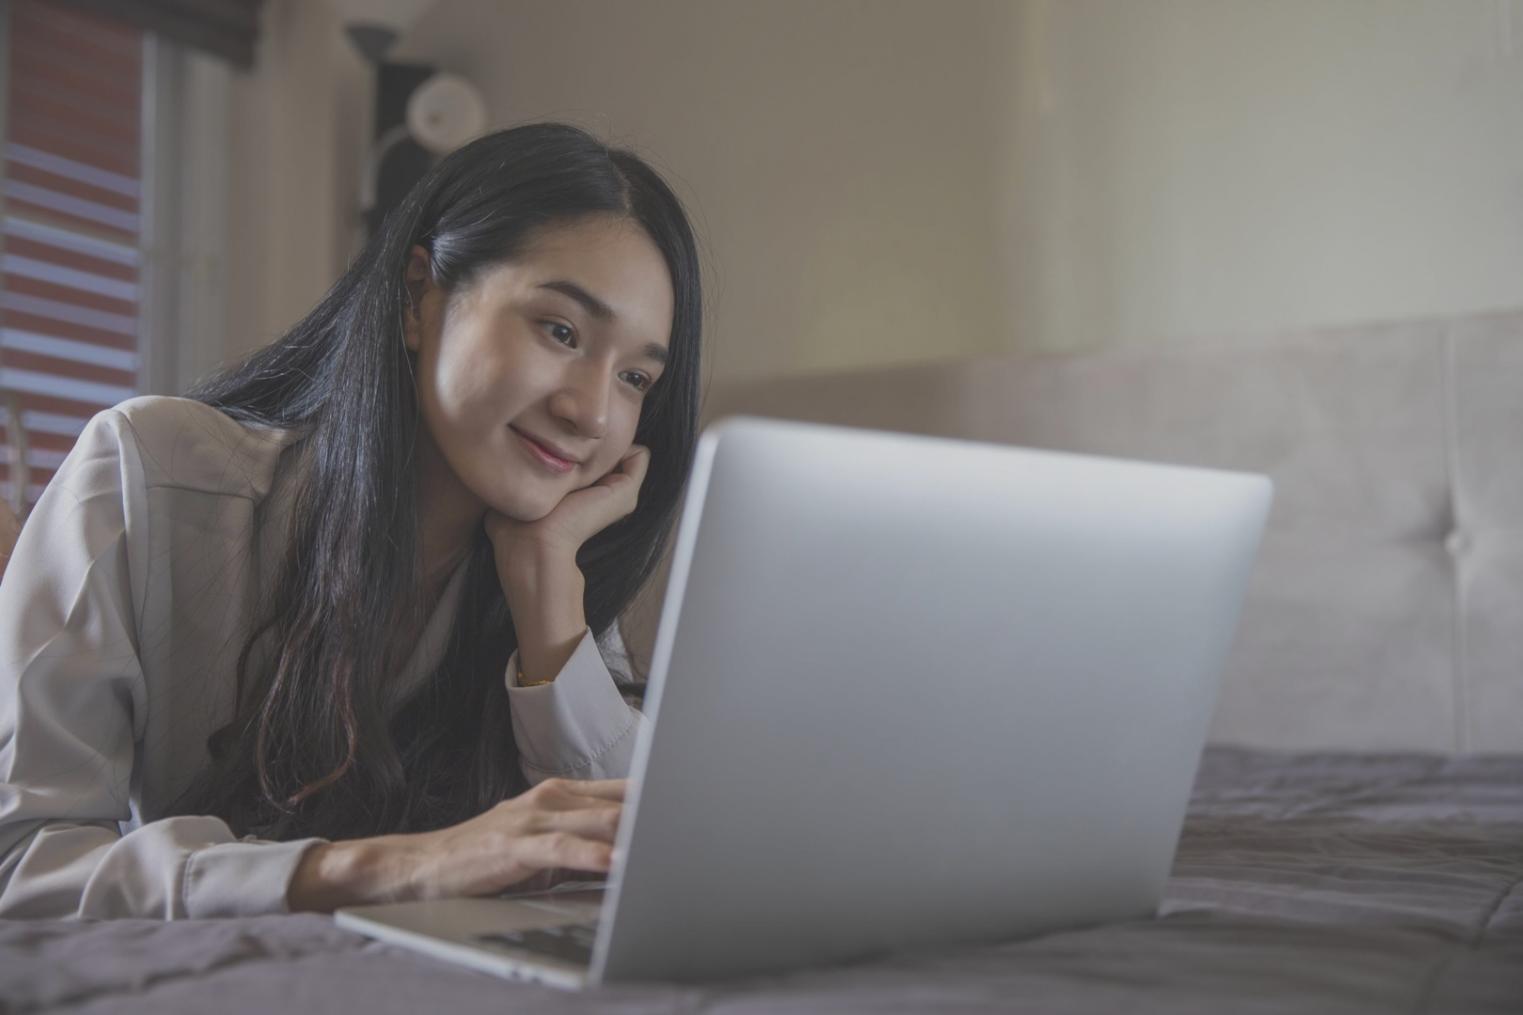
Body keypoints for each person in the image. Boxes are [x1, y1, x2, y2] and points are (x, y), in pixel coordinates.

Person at [0, 122, 703, 919]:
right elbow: (20, 865)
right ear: (417, 297)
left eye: (636, 376)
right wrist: (382, 866)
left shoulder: (551, 556)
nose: (590, 412)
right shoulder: (148, 474)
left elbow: (641, 848)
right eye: (560, 330)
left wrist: (547, 588)